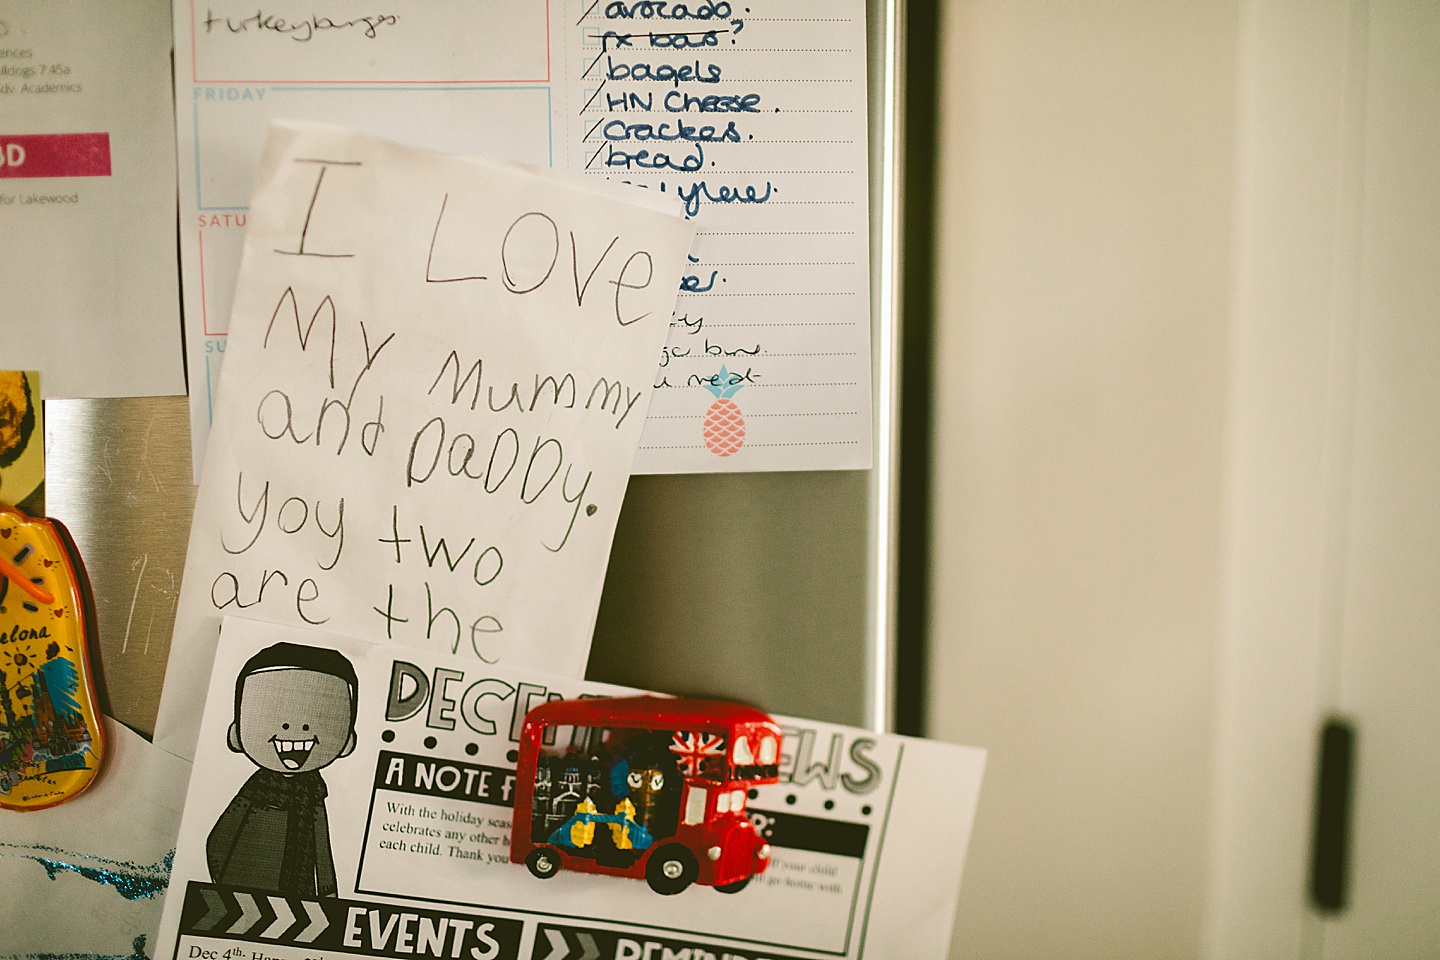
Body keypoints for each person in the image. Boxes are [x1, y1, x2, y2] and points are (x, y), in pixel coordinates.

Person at [205, 642, 358, 896]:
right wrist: (226, 883)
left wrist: (328, 891)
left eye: (321, 712)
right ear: (237, 734)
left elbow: (321, 847)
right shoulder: (257, 790)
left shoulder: (312, 793)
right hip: (243, 888)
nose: (295, 727)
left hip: (299, 895)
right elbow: (219, 840)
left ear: (347, 741)